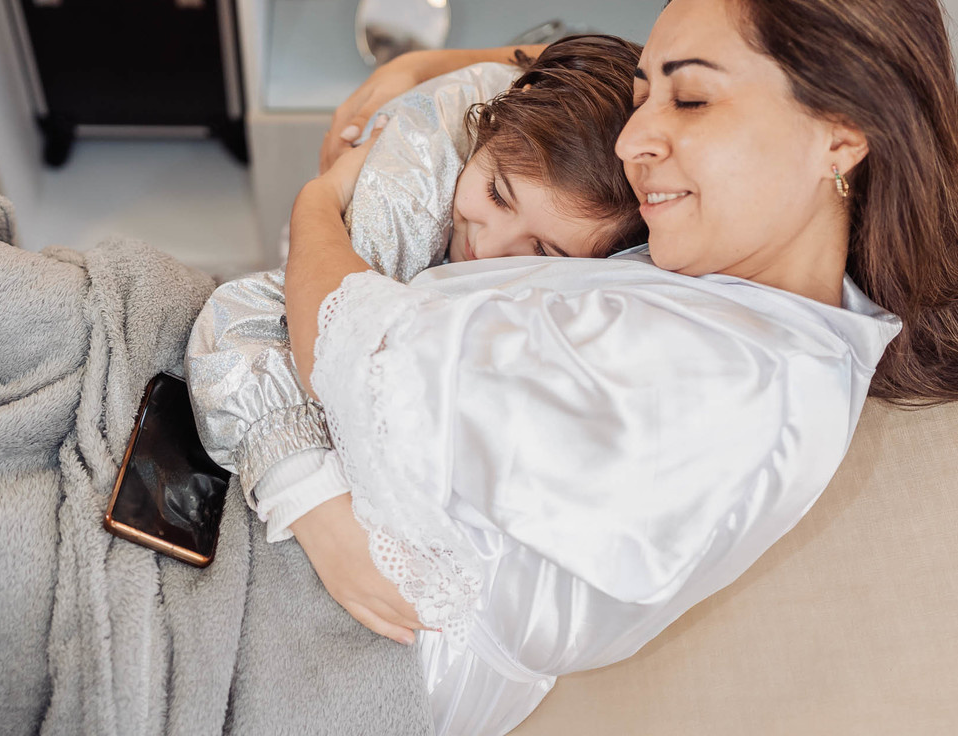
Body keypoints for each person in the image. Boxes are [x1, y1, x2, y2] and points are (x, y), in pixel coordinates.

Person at [275, 0, 958, 734]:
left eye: (687, 101)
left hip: (309, 634)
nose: (632, 141)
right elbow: (600, 80)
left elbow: (352, 357)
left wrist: (318, 202)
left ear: (841, 134)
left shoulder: (728, 380)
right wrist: (451, 62)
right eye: (642, 96)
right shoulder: (731, 255)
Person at [186, 34, 646, 533]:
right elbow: (246, 323)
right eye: (497, 194)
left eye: (543, 251)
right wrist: (305, 495)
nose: (489, 249)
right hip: (330, 245)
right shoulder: (406, 193)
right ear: (489, 127)